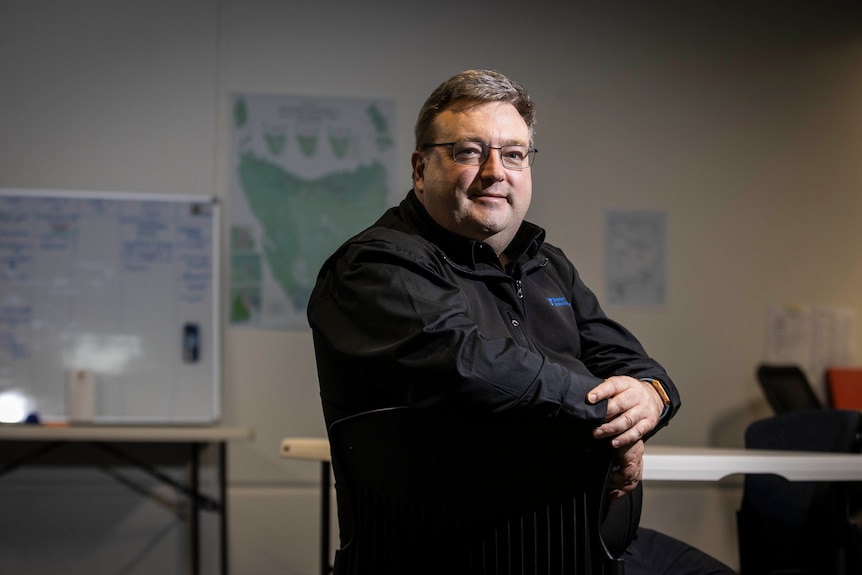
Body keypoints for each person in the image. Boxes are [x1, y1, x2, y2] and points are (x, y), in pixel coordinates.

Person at [308, 69, 735, 575]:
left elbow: (632, 364)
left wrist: (648, 399)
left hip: (587, 545)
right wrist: (605, 420)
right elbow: (471, 369)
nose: (496, 171)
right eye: (469, 151)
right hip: (458, 555)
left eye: (513, 154)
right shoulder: (375, 267)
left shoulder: (546, 264)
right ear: (420, 169)